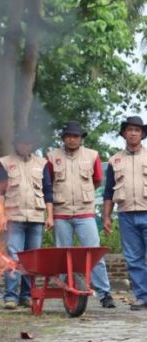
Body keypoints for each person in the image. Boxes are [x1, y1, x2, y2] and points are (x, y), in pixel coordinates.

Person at [47, 121, 115, 309]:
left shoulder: (92, 155)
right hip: (61, 213)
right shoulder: (52, 157)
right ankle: (66, 291)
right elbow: (48, 183)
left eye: (76, 136)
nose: (72, 139)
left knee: (94, 253)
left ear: (81, 138)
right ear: (63, 138)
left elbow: (98, 181)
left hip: (85, 213)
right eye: (68, 136)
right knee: (62, 254)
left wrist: (82, 195)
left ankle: (104, 294)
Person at [0, 128, 54, 310]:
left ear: (32, 145)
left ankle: (27, 295)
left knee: (32, 259)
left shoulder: (42, 163)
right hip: (14, 216)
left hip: (36, 216)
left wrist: (50, 216)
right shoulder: (5, 163)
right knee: (14, 256)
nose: (25, 146)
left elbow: (48, 191)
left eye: (28, 143)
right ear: (16, 144)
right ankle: (11, 296)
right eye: (22, 143)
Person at [103, 116, 147, 311]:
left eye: (137, 130)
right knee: (133, 258)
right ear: (124, 133)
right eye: (130, 129)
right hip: (126, 214)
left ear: (143, 134)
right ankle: (142, 297)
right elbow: (108, 191)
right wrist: (106, 216)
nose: (134, 133)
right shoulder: (114, 160)